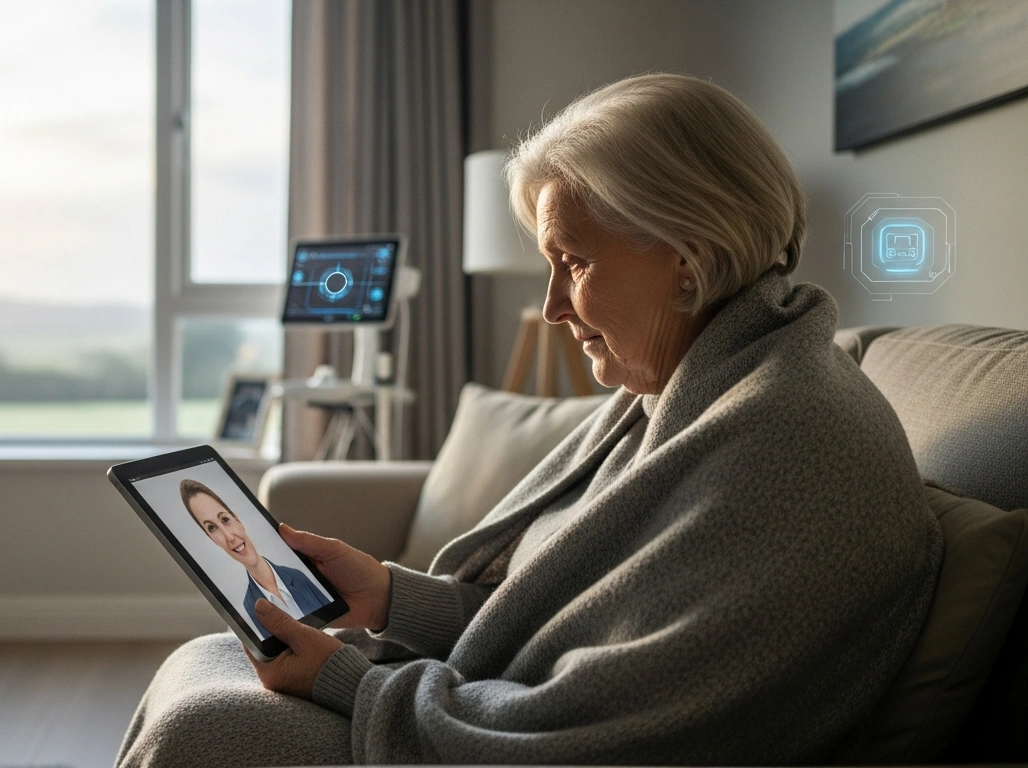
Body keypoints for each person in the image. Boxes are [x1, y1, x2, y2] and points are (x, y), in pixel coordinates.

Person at [116, 73, 941, 768]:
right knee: (210, 665)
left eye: (574, 263)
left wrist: (349, 683)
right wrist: (394, 597)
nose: (549, 307)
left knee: (205, 725)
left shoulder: (785, 445)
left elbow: (609, 734)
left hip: (522, 743)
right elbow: (572, 624)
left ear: (687, 259)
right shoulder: (686, 391)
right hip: (501, 709)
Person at [179, 479, 330, 638]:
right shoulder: (249, 607)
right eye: (212, 528)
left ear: (237, 520)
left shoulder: (297, 576)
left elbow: (335, 623)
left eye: (225, 520)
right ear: (211, 539)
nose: (229, 536)